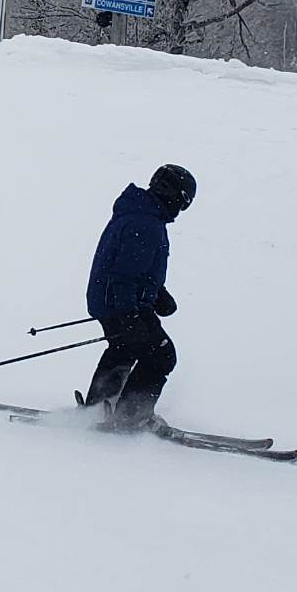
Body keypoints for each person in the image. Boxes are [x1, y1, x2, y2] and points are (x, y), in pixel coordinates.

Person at [83, 163, 198, 430]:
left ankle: (98, 408)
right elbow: (123, 275)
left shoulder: (142, 214)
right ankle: (129, 417)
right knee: (161, 355)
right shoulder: (144, 223)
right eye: (183, 203)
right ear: (173, 195)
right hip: (121, 304)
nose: (180, 211)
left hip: (113, 300)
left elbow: (136, 269)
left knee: (123, 348)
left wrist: (157, 295)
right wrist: (130, 315)